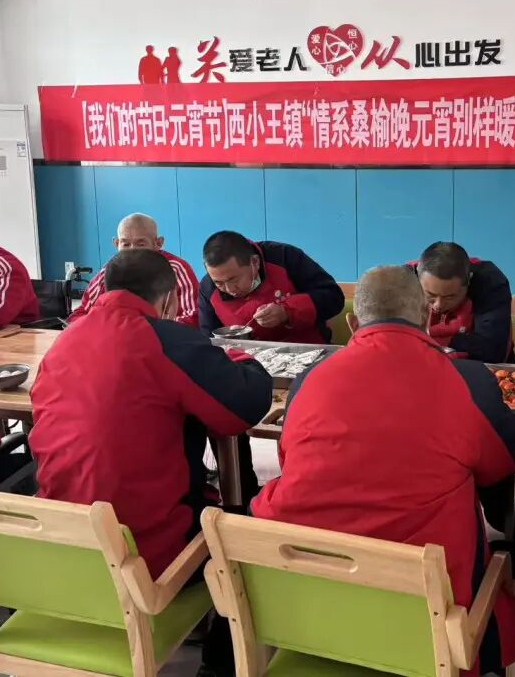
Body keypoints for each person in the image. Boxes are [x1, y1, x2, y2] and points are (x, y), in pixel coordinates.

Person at [252, 266, 515, 675]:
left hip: (312, 613)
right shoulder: (467, 381)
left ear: (353, 324)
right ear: (426, 316)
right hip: (425, 622)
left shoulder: (307, 380)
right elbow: (503, 461)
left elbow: (290, 462)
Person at [30, 250, 272, 572]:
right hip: (149, 555)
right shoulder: (167, 341)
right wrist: (241, 358)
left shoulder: (63, 342)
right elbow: (244, 408)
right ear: (170, 300)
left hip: (63, 542)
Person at [198, 231, 344, 344]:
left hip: (309, 351)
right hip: (247, 364)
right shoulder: (208, 289)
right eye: (219, 283)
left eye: (233, 279)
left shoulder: (284, 257)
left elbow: (334, 298)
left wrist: (286, 312)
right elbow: (208, 341)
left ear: (255, 262)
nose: (230, 289)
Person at [68, 213, 199, 327]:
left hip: (164, 342)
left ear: (158, 243)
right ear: (116, 244)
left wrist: (147, 332)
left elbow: (193, 318)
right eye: (125, 244)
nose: (132, 251)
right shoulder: (110, 271)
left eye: (140, 244)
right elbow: (80, 314)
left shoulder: (176, 269)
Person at [409, 241, 515, 363]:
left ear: (469, 281)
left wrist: (442, 340)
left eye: (450, 297)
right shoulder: (404, 280)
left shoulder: (490, 282)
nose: (438, 305)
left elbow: (492, 350)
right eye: (430, 295)